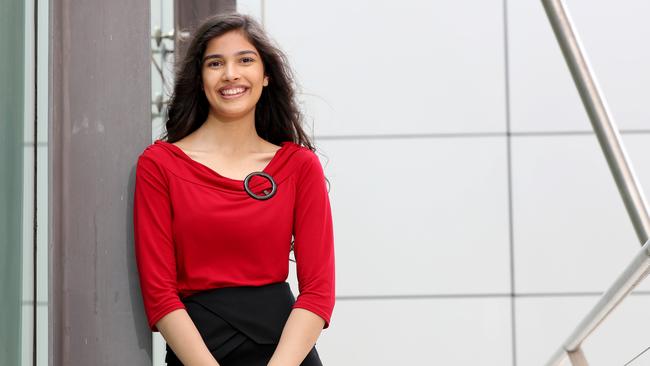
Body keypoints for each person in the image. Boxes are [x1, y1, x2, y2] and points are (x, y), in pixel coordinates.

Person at [133, 13, 335, 366]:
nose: (231, 74)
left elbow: (317, 293)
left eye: (245, 60)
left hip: (285, 355)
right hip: (198, 354)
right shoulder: (160, 165)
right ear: (199, 78)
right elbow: (160, 295)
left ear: (266, 74)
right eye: (215, 63)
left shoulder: (299, 166)